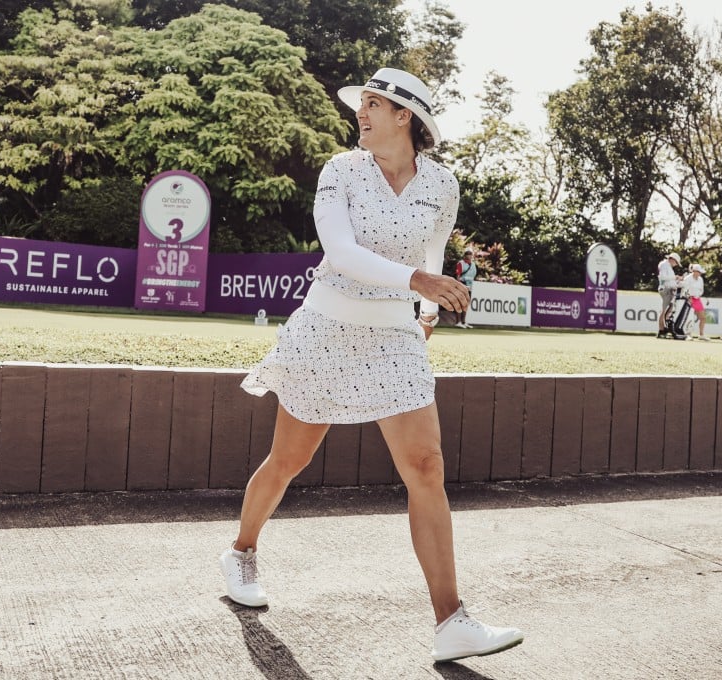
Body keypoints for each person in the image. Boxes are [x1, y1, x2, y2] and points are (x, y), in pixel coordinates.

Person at [222, 67, 524, 663]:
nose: (360, 113)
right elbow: (341, 252)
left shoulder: (443, 185)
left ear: (404, 116)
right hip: (326, 330)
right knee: (289, 459)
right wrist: (420, 281)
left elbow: (432, 254)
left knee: (427, 466)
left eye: (372, 104)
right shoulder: (339, 172)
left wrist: (427, 312)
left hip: (395, 335)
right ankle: (241, 551)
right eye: (361, 103)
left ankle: (451, 621)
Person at [656, 252, 682, 338]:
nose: (676, 265)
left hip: (669, 289)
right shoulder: (664, 265)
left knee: (667, 310)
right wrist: (675, 278)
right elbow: (663, 277)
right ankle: (661, 330)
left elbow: (669, 279)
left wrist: (676, 281)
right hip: (665, 289)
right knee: (664, 310)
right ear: (672, 259)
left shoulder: (668, 266)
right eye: (676, 262)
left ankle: (664, 329)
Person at [682, 264, 710, 340]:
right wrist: (688, 297)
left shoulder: (700, 279)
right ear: (694, 271)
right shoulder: (687, 278)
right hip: (689, 299)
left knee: (703, 318)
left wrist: (698, 295)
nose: (700, 274)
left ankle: (701, 335)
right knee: (689, 318)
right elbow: (684, 290)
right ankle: (688, 334)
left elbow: (701, 290)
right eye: (699, 272)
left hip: (697, 299)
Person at [453, 249, 477, 328]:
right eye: (467, 254)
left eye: (470, 254)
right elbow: (458, 276)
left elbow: (473, 276)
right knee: (460, 303)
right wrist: (459, 286)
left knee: (466, 304)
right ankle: (458, 322)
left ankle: (463, 322)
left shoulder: (473, 264)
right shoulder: (461, 263)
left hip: (470, 286)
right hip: (462, 284)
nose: (469, 255)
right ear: (465, 255)